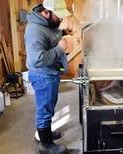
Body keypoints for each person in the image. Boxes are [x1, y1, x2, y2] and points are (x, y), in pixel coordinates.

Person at [24, 0, 72, 153]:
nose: (61, 20)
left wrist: (63, 33)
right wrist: (59, 49)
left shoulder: (46, 23)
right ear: (47, 13)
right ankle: (46, 145)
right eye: (59, 17)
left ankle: (45, 134)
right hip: (43, 76)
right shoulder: (34, 31)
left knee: (48, 107)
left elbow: (49, 36)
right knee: (45, 110)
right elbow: (37, 60)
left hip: (50, 73)